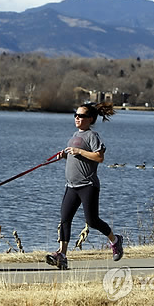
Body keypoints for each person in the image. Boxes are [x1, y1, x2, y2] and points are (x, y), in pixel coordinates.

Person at [46, 102, 123, 269]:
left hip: (88, 185)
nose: (77, 118)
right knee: (65, 219)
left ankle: (115, 240)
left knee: (92, 221)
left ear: (90, 119)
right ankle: (62, 255)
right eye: (76, 115)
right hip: (71, 186)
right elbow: (76, 156)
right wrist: (64, 156)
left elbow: (99, 157)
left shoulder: (92, 136)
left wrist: (79, 151)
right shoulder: (74, 136)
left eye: (81, 116)